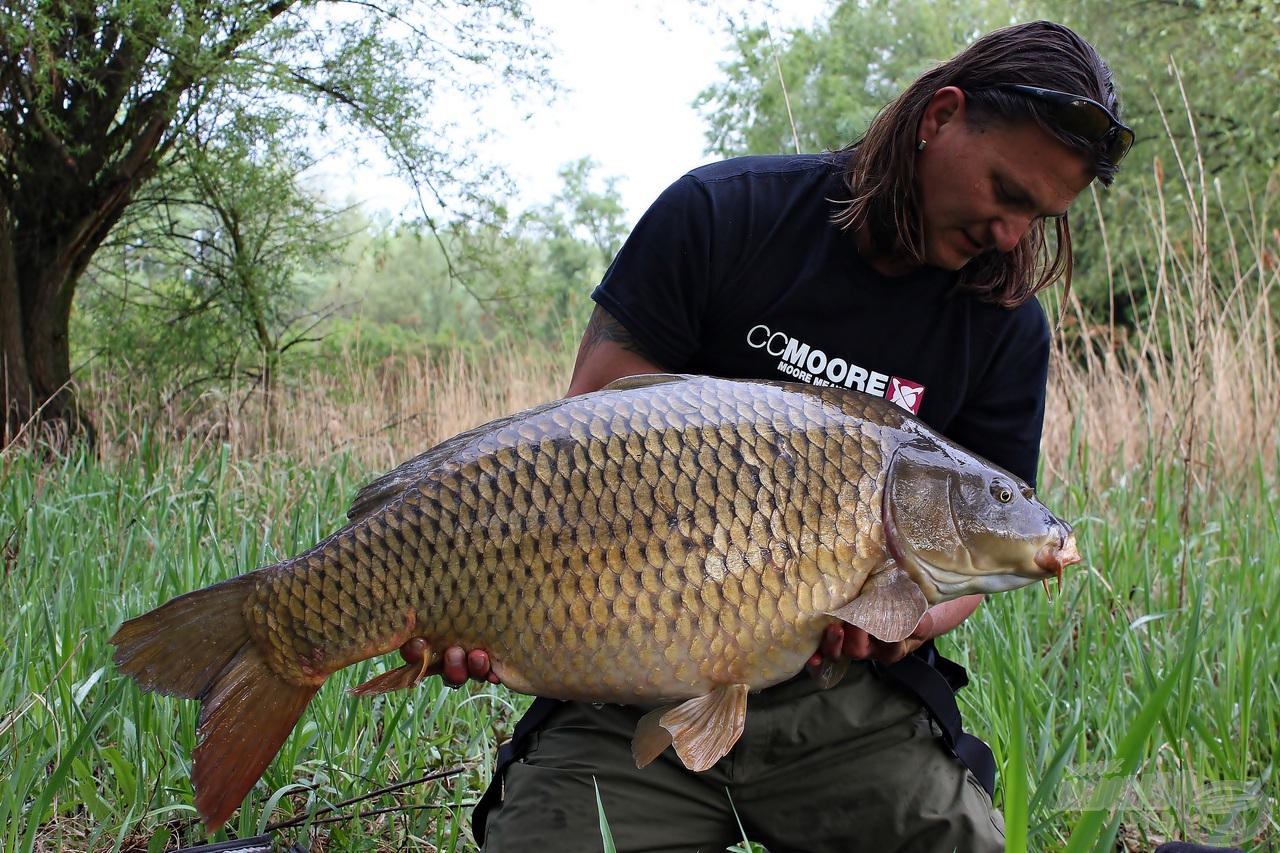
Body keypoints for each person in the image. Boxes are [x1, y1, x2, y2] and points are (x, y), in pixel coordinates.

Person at [445, 19, 1133, 852]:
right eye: (1006, 192)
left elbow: (976, 561)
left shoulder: (1004, 326)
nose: (1012, 235)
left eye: (1042, 215)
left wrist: (905, 618)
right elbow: (577, 445)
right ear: (939, 117)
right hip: (624, 677)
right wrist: (469, 602)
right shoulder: (720, 215)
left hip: (841, 702)